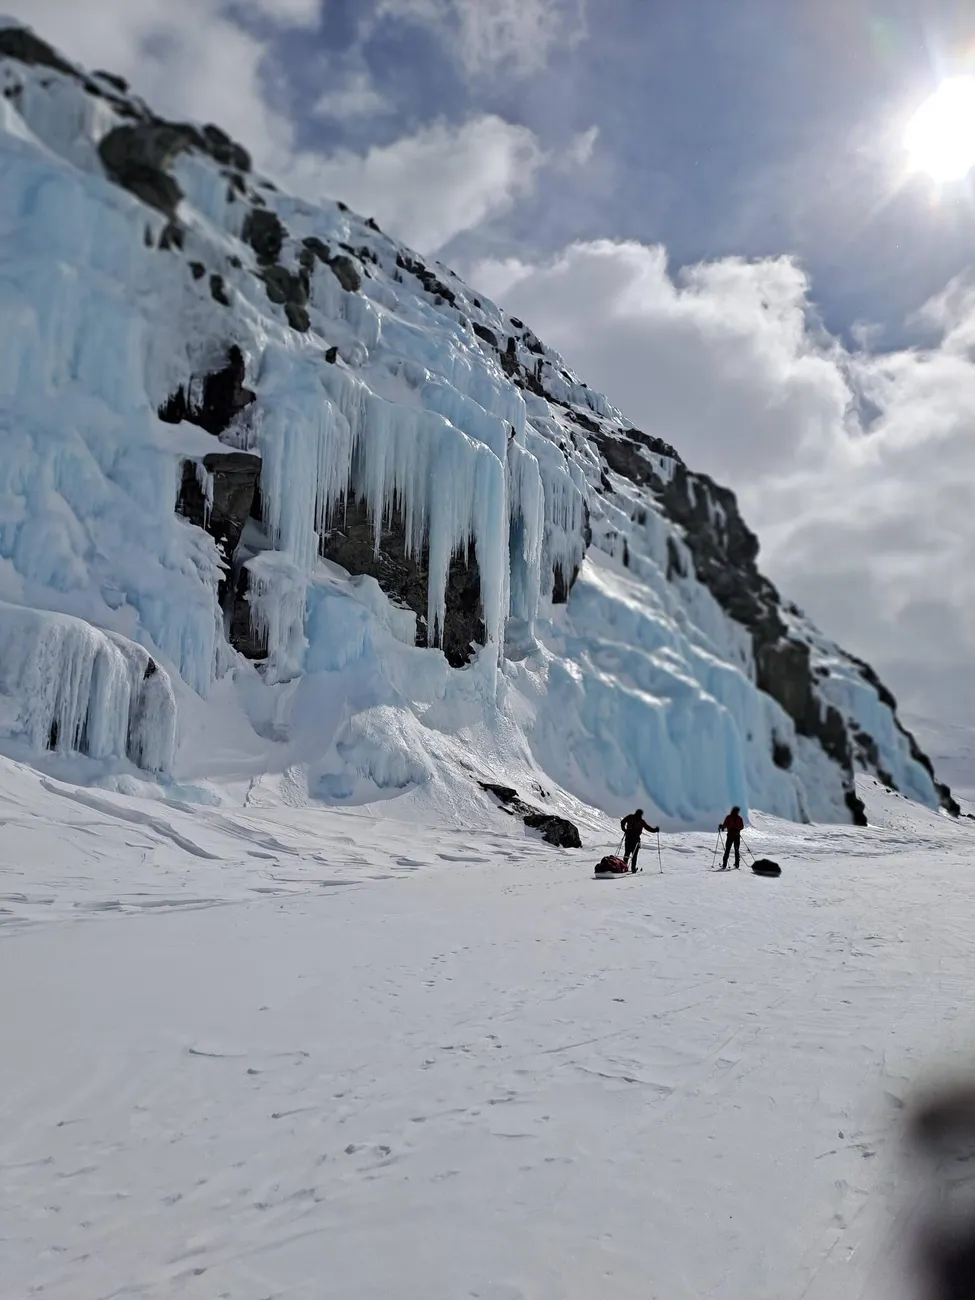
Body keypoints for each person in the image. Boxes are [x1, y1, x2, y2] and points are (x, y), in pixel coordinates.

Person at [620, 808, 659, 872]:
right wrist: (655, 830)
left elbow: (622, 822)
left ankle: (624, 867)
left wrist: (624, 830)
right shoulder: (641, 821)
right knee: (634, 855)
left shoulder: (630, 817)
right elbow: (648, 828)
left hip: (628, 838)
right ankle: (633, 869)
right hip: (636, 840)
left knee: (627, 853)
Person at [719, 805, 744, 869]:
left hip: (730, 836)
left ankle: (724, 864)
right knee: (736, 850)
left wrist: (721, 827)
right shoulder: (739, 818)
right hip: (737, 836)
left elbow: (725, 825)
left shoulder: (729, 817)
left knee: (727, 850)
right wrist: (738, 829)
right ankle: (737, 864)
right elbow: (742, 826)